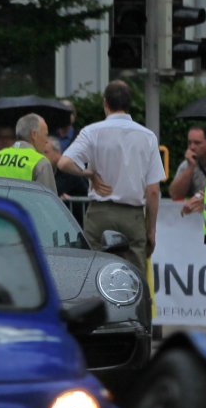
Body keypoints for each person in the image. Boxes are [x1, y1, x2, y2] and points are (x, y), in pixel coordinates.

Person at [57, 79, 163, 281]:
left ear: (105, 102)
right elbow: (153, 191)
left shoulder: (92, 132)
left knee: (92, 275)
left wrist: (89, 173)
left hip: (100, 214)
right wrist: (151, 230)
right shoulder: (147, 137)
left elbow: (64, 163)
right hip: (132, 217)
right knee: (135, 278)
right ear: (129, 103)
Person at [0, 114, 56, 192]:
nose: (46, 141)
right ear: (34, 135)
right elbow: (48, 198)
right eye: (45, 135)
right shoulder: (40, 162)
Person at [170, 125, 206, 215]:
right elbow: (175, 195)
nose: (192, 147)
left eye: (197, 143)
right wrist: (190, 168)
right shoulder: (187, 164)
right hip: (198, 218)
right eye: (189, 143)